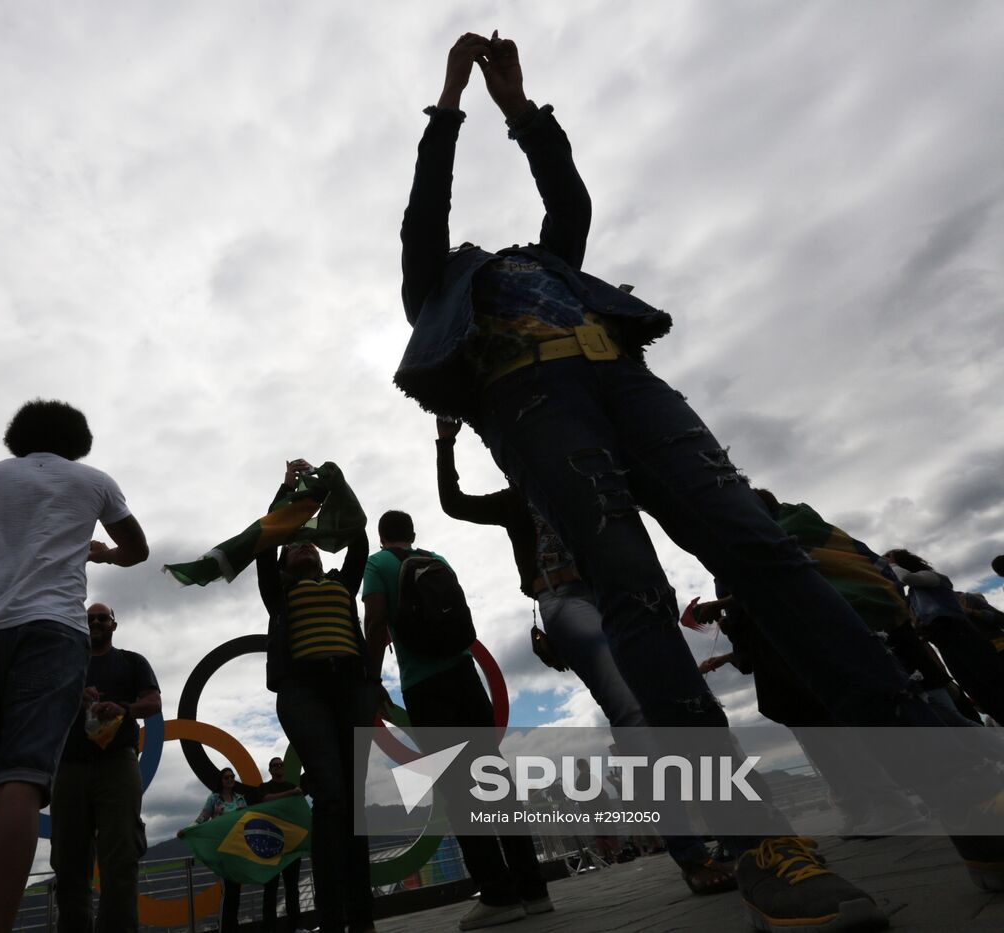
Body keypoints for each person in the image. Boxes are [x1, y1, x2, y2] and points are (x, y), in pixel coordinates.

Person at [392, 30, 1003, 925]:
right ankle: (757, 843)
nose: (490, 253)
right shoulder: (440, 288)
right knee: (632, 587)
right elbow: (426, 212)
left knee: (762, 548)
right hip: (530, 400)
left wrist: (519, 109)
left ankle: (958, 791)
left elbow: (568, 197)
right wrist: (448, 103)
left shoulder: (549, 263)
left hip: (623, 377)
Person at [436, 400, 730, 893]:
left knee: (682, 704)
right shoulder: (513, 501)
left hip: (614, 589)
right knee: (631, 711)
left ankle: (741, 837)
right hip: (563, 598)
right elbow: (454, 503)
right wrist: (445, 444)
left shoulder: (579, 479)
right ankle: (691, 852)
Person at [0, 399, 148, 933]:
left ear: (17, 436)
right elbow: (137, 549)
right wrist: (103, 555)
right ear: (78, 441)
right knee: (19, 786)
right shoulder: (94, 482)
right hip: (52, 632)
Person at [362, 509, 552, 930]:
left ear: (381, 537)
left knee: (458, 791)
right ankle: (534, 890)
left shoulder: (377, 565)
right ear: (412, 533)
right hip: (465, 674)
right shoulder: (437, 560)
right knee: (495, 783)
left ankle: (499, 896)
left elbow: (375, 623)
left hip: (425, 686)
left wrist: (372, 679)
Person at [257, 458, 375, 933]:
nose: (302, 546)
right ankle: (332, 918)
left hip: (351, 688)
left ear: (323, 555)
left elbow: (358, 538)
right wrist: (286, 491)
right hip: (303, 692)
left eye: (308, 542)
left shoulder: (343, 583)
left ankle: (361, 919)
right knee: (330, 795)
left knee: (353, 804)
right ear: (285, 564)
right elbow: (266, 541)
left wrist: (330, 485)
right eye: (294, 546)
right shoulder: (279, 594)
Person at [51, 602, 161, 933]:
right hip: (68, 765)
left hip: (118, 763)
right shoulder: (64, 665)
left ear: (114, 624)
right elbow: (43, 703)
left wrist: (123, 709)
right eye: (90, 618)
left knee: (121, 859)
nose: (96, 622)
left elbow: (153, 703)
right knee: (68, 862)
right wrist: (73, 695)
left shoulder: (133, 661)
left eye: (102, 617)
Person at [886, 549, 1004, 722]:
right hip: (943, 643)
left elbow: (907, 578)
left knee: (994, 681)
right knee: (979, 692)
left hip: (961, 634)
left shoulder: (934, 578)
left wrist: (893, 564)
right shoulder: (911, 598)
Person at [180, 768, 249, 933]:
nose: (230, 779)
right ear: (221, 780)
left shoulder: (241, 800)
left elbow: (247, 821)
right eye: (226, 777)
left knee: (235, 893)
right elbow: (202, 818)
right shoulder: (214, 799)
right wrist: (188, 830)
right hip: (222, 852)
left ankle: (233, 927)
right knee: (228, 892)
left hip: (238, 851)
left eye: (232, 777)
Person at [253, 758, 304, 933]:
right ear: (270, 770)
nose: (278, 767)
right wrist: (291, 794)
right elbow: (266, 799)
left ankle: (296, 926)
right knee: (270, 890)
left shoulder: (292, 786)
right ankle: (270, 929)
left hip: (291, 846)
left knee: (292, 889)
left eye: (281, 765)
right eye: (275, 765)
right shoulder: (265, 787)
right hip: (270, 846)